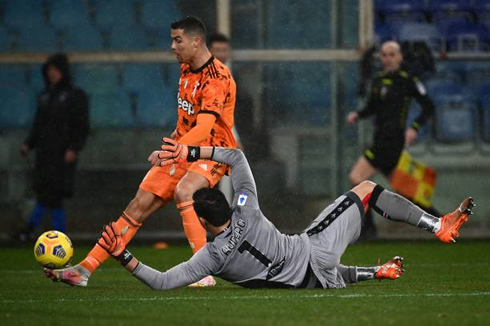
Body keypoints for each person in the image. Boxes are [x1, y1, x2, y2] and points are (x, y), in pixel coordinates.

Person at [46, 138, 474, 290]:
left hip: (312, 282)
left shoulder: (210, 258)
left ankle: (372, 272)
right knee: (366, 189)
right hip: (313, 252)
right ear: (226, 201)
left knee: (314, 273)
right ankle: (439, 224)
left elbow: (160, 284)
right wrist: (192, 152)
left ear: (199, 218)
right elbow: (234, 154)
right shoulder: (246, 208)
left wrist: (122, 255)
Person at [47, 16, 237, 287]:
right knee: (138, 206)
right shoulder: (186, 67)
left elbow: (206, 126)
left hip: (213, 150)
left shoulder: (217, 77)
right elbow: (188, 112)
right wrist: (176, 135)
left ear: (196, 42)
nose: (172, 46)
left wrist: (173, 149)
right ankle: (84, 269)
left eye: (178, 40)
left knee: (185, 190)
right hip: (182, 147)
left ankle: (202, 270)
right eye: (172, 39)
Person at [347, 41, 435, 239]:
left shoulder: (407, 80)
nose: (387, 58)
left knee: (358, 179)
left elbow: (428, 106)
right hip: (380, 139)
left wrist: (414, 128)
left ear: (400, 57)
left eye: (392, 54)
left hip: (393, 142)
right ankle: (438, 223)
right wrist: (357, 115)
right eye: (384, 55)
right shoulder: (378, 80)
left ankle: (368, 230)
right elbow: (372, 107)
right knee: (405, 191)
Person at [17, 53, 89, 240]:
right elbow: (38, 124)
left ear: (63, 71)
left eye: (55, 70)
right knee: (46, 192)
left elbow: (82, 125)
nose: (52, 74)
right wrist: (29, 143)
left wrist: (74, 147)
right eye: (49, 70)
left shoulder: (75, 95)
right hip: (44, 153)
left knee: (53, 194)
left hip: (62, 152)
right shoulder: (45, 96)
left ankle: (34, 230)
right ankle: (47, 233)